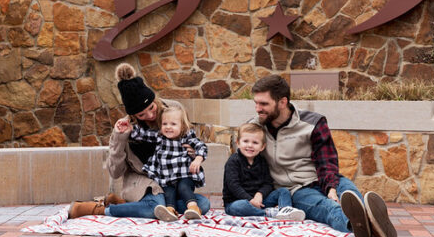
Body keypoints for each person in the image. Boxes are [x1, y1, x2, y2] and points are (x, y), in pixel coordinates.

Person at [249, 75, 397, 237]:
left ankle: (370, 222)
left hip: (325, 178)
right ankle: (362, 226)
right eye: (256, 103)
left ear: (282, 102)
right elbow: (243, 164)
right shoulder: (255, 129)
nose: (258, 108)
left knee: (349, 195)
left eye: (264, 104)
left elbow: (326, 160)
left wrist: (331, 188)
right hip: (298, 189)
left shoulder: (313, 122)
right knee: (329, 207)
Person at [68, 63, 210, 219]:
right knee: (155, 206)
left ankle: (123, 204)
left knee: (202, 204)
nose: (150, 115)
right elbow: (115, 173)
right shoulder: (126, 127)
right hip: (144, 180)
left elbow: (191, 138)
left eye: (151, 107)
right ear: (134, 116)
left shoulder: (173, 110)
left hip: (170, 178)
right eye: (142, 114)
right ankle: (95, 209)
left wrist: (193, 153)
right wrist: (120, 138)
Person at [118, 102, 208, 221]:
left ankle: (193, 208)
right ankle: (170, 211)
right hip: (166, 179)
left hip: (184, 176)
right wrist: (130, 128)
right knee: (168, 193)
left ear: (183, 126)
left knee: (184, 187)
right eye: (165, 124)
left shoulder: (187, 136)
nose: (168, 127)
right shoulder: (160, 136)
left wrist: (198, 159)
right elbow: (144, 134)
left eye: (173, 124)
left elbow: (201, 147)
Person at [223, 123, 305, 221]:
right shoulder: (233, 161)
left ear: (262, 146)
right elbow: (234, 186)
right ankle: (268, 213)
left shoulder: (262, 161)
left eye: (255, 143)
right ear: (238, 143)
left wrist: (260, 194)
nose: (250, 145)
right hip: (237, 201)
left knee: (283, 191)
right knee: (239, 206)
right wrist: (250, 200)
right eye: (245, 141)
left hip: (260, 201)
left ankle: (285, 210)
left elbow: (268, 183)